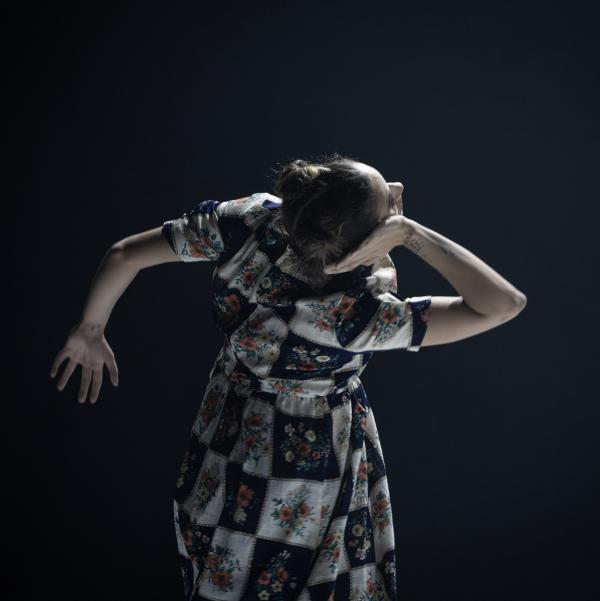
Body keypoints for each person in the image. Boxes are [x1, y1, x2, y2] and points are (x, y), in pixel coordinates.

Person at [49, 152, 527, 600]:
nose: (400, 189)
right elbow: (504, 304)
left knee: (226, 561)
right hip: (306, 468)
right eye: (389, 205)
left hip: (227, 428)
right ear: (362, 243)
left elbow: (124, 254)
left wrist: (89, 328)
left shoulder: (248, 221)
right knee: (303, 578)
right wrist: (410, 234)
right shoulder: (356, 316)